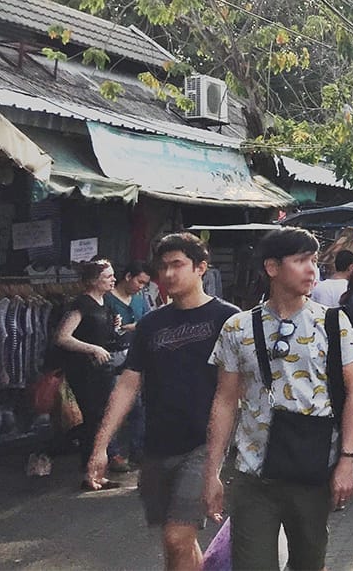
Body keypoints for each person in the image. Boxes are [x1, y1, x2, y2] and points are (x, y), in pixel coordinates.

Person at [203, 228, 353, 571]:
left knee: (308, 563)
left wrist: (347, 461)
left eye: (314, 261)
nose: (312, 270)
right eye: (301, 260)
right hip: (253, 473)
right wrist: (212, 472)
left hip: (313, 468)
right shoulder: (237, 327)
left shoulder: (333, 322)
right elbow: (225, 401)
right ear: (272, 268)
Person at [86, 234, 239, 571]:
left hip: (204, 444)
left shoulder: (228, 319)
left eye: (178, 265)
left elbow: (244, 386)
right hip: (157, 447)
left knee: (177, 537)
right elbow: (128, 385)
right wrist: (100, 446)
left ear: (201, 268)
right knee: (177, 548)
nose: (168, 274)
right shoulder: (151, 324)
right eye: (163, 267)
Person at [54, 259, 126, 489]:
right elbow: (63, 337)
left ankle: (98, 472)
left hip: (102, 369)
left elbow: (103, 335)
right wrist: (92, 348)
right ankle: (90, 474)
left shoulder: (105, 304)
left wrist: (114, 325)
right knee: (93, 421)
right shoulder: (80, 304)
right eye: (108, 276)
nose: (113, 280)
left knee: (103, 420)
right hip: (85, 370)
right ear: (94, 281)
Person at [105, 261, 153, 469]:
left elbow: (150, 323)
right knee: (115, 407)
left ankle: (138, 450)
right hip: (114, 361)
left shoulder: (140, 301)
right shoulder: (107, 300)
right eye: (139, 281)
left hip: (137, 360)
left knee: (138, 409)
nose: (141, 286)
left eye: (144, 284)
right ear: (128, 277)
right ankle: (112, 453)